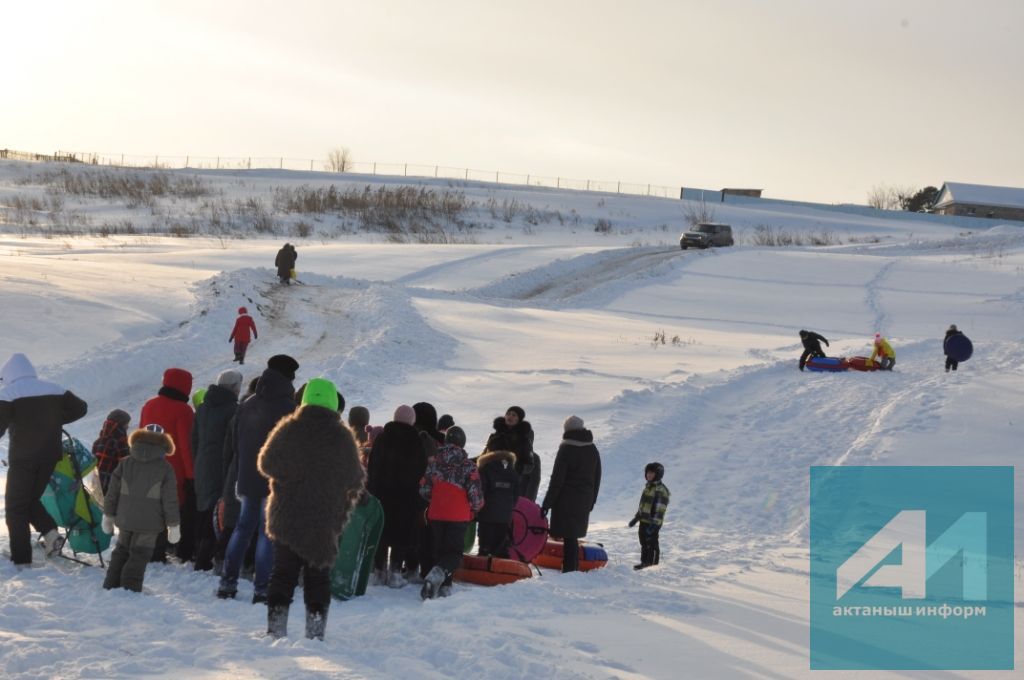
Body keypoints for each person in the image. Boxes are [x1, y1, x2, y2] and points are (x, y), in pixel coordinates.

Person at [259, 378, 365, 640]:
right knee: (318, 577)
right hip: (324, 519)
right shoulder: (343, 437)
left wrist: (294, 475)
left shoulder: (288, 429)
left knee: (283, 573)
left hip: (287, 516)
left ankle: (276, 630)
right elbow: (355, 479)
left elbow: (266, 463)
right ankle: (315, 634)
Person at [218, 354, 298, 602]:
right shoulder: (290, 409)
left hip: (246, 478)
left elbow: (235, 443)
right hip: (275, 481)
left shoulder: (248, 404)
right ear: (289, 377)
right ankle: (262, 589)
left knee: (242, 529)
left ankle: (227, 583)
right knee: (267, 533)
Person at [0, 353, 88, 566]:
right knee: (30, 500)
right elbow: (81, 408)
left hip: (23, 458)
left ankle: (21, 557)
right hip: (49, 457)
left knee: (15, 507)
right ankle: (51, 536)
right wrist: (54, 421)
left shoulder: (9, 393)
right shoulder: (54, 388)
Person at [101, 424, 181, 592]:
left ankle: (111, 583)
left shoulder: (125, 463)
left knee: (121, 550)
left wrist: (108, 515)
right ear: (163, 442)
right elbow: (170, 500)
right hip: (150, 522)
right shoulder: (165, 468)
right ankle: (130, 587)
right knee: (140, 553)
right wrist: (173, 525)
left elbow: (112, 492)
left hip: (125, 517)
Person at [419, 426, 483, 600]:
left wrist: (438, 498)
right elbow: (475, 494)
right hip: (458, 515)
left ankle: (444, 585)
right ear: (462, 443)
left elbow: (424, 489)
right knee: (453, 553)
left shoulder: (434, 463)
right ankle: (437, 576)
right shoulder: (468, 466)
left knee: (439, 550)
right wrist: (476, 508)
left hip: (436, 513)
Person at [139, 368, 195, 563]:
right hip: (173, 469)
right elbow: (186, 446)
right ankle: (158, 551)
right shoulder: (183, 410)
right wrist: (191, 475)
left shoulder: (149, 405)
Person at [365, 404, 424, 588]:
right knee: (401, 533)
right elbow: (421, 469)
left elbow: (372, 466)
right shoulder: (415, 440)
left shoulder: (382, 438)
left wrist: (373, 488)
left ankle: (378, 571)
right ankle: (396, 573)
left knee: (381, 532)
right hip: (405, 497)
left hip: (381, 494)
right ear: (412, 420)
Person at [191, 369, 242, 572]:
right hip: (221, 467)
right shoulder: (233, 410)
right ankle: (204, 559)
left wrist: (198, 461)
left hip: (202, 464)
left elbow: (194, 439)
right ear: (233, 387)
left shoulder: (202, 408)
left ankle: (198, 554)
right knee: (217, 513)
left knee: (203, 509)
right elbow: (232, 444)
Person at [541, 415, 601, 573]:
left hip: (566, 498)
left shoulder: (566, 448)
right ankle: (572, 566)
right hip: (584, 498)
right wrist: (592, 501)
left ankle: (569, 568)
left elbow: (557, 479)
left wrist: (547, 504)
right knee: (572, 535)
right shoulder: (592, 448)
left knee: (568, 535)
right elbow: (597, 477)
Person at [486, 406, 541, 501]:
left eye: (514, 415)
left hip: (512, 490)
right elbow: (484, 457)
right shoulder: (495, 437)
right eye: (508, 414)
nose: (510, 416)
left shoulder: (525, 444)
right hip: (490, 484)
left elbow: (532, 479)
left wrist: (528, 501)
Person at [475, 447, 519, 557]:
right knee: (501, 547)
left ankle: (482, 569)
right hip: (504, 517)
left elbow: (480, 492)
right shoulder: (512, 472)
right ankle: (502, 570)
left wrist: (477, 510)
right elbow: (516, 495)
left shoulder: (485, 469)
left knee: (485, 548)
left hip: (487, 515)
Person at [628, 462, 670, 570]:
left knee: (652, 543)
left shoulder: (661, 490)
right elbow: (644, 505)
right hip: (644, 520)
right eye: (647, 473)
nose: (649, 475)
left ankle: (652, 565)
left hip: (653, 522)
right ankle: (644, 562)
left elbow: (660, 509)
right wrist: (637, 517)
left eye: (652, 473)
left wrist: (655, 524)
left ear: (658, 474)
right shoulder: (648, 487)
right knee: (643, 542)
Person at [92, 409, 131, 495]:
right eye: (126, 425)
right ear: (120, 426)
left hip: (96, 484)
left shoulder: (98, 442)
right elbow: (126, 463)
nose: (128, 427)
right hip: (111, 485)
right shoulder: (120, 440)